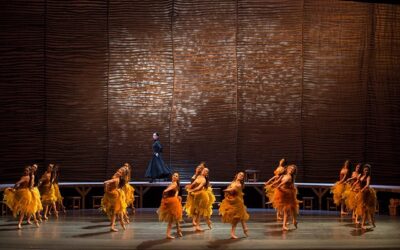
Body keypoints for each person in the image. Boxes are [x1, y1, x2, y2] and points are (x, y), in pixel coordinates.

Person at [219, 172, 249, 239]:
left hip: (237, 202)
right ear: (237, 175)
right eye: (239, 175)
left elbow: (232, 189)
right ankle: (245, 229)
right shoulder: (233, 182)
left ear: (242, 178)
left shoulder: (239, 184)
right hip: (232, 200)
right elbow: (230, 188)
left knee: (237, 217)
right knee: (241, 216)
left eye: (242, 176)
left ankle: (233, 233)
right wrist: (227, 192)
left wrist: (226, 190)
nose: (240, 176)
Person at [272, 164, 299, 231]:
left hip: (289, 194)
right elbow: (278, 181)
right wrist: (272, 184)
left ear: (293, 172)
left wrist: (278, 186)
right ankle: (292, 222)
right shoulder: (283, 176)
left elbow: (283, 182)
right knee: (286, 210)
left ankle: (292, 221)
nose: (291, 170)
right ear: (287, 169)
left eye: (293, 170)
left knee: (291, 209)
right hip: (283, 193)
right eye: (290, 169)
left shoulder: (290, 177)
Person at [157, 172, 183, 239]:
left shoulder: (174, 184)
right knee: (176, 218)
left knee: (172, 219)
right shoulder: (175, 184)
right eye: (174, 175)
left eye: (176, 176)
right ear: (172, 176)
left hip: (171, 202)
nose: (175, 176)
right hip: (172, 201)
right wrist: (176, 198)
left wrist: (165, 192)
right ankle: (178, 230)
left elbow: (166, 191)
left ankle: (168, 234)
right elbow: (176, 193)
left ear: (178, 178)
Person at [101, 168, 127, 232]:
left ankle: (119, 224)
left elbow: (105, 182)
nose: (117, 172)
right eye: (118, 171)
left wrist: (106, 187)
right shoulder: (116, 178)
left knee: (116, 210)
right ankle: (121, 223)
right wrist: (106, 189)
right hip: (113, 194)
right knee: (116, 210)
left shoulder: (115, 179)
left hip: (114, 195)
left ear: (121, 175)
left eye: (120, 172)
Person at [354, 164, 376, 229]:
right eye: (365, 170)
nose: (366, 171)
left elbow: (367, 185)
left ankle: (364, 224)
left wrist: (362, 190)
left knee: (367, 209)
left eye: (367, 170)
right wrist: (354, 188)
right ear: (363, 170)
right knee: (362, 208)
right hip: (361, 193)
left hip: (367, 193)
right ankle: (372, 222)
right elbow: (357, 182)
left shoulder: (368, 177)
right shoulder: (361, 175)